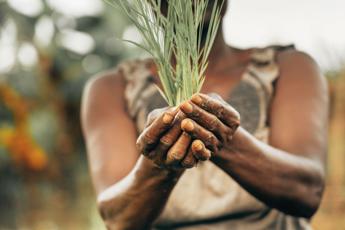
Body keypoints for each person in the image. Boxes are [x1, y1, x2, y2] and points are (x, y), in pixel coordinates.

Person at [81, 1, 328, 229]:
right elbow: (118, 218)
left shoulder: (287, 68)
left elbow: (308, 191)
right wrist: (158, 165)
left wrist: (221, 138)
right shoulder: (113, 89)